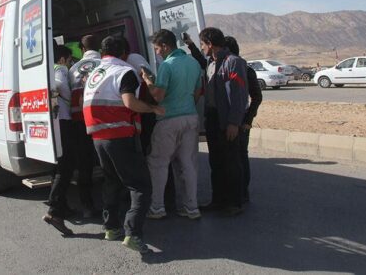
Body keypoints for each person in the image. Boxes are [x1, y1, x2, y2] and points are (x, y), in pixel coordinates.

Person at [83, 36, 165, 254]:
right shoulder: (123, 71)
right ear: (123, 53)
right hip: (120, 134)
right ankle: (133, 233)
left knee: (111, 181)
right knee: (140, 186)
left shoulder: (94, 74)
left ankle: (111, 228)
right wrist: (152, 108)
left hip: (98, 138)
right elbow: (130, 102)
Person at [141, 29, 203, 220]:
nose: (157, 52)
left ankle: (157, 207)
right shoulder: (194, 63)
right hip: (191, 118)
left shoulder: (166, 66)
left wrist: (147, 81)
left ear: (166, 46)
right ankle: (191, 207)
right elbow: (198, 92)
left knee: (158, 163)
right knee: (188, 164)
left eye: (158, 48)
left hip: (168, 120)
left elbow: (158, 96)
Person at [199, 27, 249, 217]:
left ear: (210, 44)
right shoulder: (210, 64)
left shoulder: (234, 63)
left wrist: (234, 123)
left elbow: (239, 96)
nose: (202, 48)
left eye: (203, 44)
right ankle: (218, 200)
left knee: (231, 163)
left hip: (227, 121)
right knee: (216, 162)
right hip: (212, 119)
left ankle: (234, 202)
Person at [43, 45, 78, 235]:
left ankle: (61, 207)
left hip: (54, 122)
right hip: (64, 122)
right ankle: (54, 212)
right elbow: (55, 85)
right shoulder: (61, 70)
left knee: (57, 167)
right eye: (70, 59)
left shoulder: (48, 69)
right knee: (66, 167)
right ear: (63, 59)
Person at [224, 36, 262, 203]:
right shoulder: (224, 67)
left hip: (241, 122)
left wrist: (247, 121)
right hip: (230, 120)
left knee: (241, 157)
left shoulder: (245, 70)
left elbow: (256, 97)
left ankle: (242, 193)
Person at [67, 34, 101, 218]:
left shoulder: (73, 68)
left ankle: (87, 205)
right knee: (107, 162)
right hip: (102, 122)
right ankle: (114, 201)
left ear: (82, 49)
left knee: (84, 165)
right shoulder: (104, 64)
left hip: (80, 122)